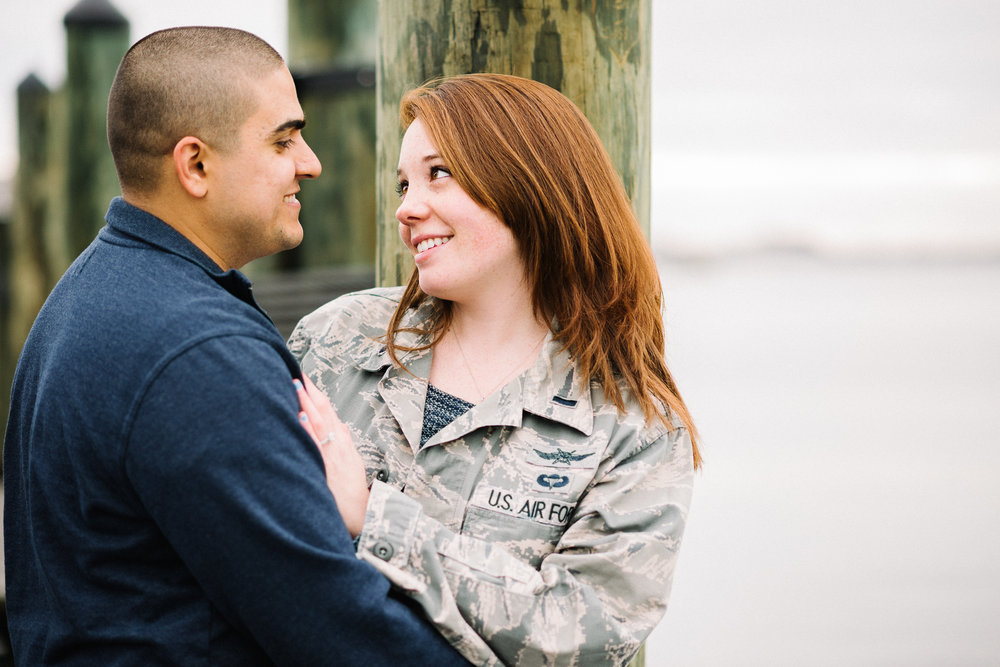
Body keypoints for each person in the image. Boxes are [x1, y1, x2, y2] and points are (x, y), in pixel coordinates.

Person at [3, 27, 469, 666]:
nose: (311, 162)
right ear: (195, 165)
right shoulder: (196, 352)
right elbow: (331, 622)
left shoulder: (89, 290)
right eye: (284, 139)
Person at [290, 73, 702, 666]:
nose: (408, 208)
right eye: (404, 183)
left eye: (439, 174)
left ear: (528, 184)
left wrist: (378, 520)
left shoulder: (634, 425)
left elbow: (581, 639)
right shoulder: (337, 339)